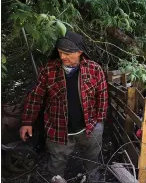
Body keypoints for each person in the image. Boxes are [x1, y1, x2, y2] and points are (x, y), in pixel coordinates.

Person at [19, 31, 108, 182]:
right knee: (56, 168)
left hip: (89, 128)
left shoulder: (94, 69)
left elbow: (103, 96)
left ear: (80, 52)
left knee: (93, 165)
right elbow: (36, 96)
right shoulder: (49, 70)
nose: (62, 57)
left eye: (67, 53)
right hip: (58, 130)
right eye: (60, 52)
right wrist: (27, 122)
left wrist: (99, 122)